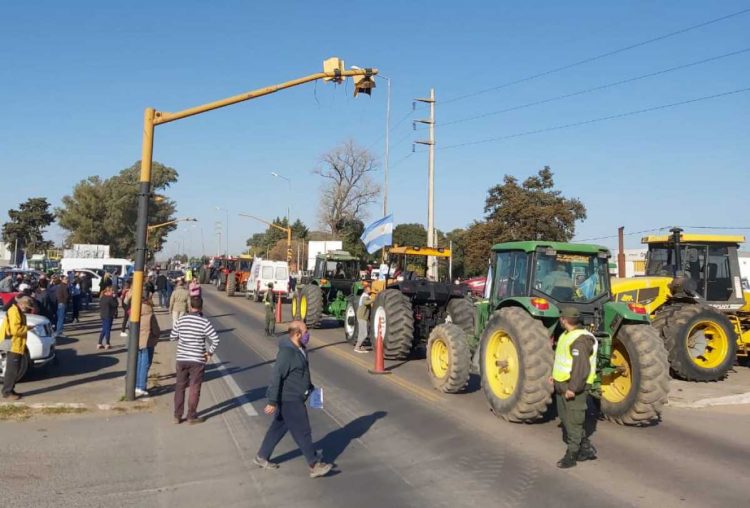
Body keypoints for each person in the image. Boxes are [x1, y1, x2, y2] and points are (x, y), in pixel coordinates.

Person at [254, 321, 332, 478]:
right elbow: (277, 376)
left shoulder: (300, 349)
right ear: (297, 334)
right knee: (303, 431)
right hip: (289, 399)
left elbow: (301, 373)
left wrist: (310, 388)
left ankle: (262, 456)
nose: (308, 335)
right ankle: (314, 463)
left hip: (296, 396)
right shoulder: (287, 353)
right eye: (305, 332)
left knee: (278, 427)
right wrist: (272, 401)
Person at [552, 307, 598, 469]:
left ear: (564, 320)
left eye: (561, 318)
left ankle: (571, 455)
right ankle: (585, 447)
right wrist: (554, 376)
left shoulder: (581, 340)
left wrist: (573, 388)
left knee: (573, 421)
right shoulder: (566, 335)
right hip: (562, 384)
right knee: (566, 419)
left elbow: (581, 368)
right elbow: (563, 360)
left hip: (573, 386)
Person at [170, 296, 220, 424]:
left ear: (189, 306)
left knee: (180, 387)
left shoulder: (181, 320)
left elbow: (173, 337)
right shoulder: (204, 322)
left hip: (181, 358)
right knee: (194, 388)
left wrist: (183, 338)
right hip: (197, 359)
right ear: (201, 307)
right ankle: (191, 416)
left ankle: (177, 415)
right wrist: (209, 353)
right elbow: (215, 339)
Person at [1, 295, 34, 400]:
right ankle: (7, 392)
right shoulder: (14, 311)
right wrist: (27, 328)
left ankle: (10, 389)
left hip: (12, 342)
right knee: (12, 369)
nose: (27, 308)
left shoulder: (16, 310)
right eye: (27, 306)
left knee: (14, 368)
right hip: (12, 343)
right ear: (21, 304)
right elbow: (15, 330)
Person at [135, 289, 161, 397]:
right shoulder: (150, 312)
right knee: (145, 364)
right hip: (148, 341)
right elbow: (156, 330)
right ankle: (141, 386)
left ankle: (136, 384)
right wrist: (157, 336)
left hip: (137, 341)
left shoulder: (136, 310)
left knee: (138, 363)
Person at [354, 283, 372, 353]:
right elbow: (365, 303)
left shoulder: (365, 295)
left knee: (361, 332)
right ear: (366, 289)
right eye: (369, 288)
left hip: (362, 316)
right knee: (364, 333)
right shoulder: (365, 296)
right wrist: (373, 299)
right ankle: (357, 347)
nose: (370, 289)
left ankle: (360, 346)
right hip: (362, 316)